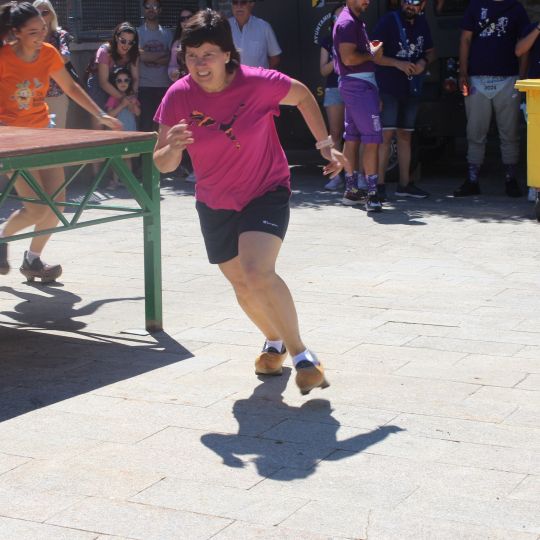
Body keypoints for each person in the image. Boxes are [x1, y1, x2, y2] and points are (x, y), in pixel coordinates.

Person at [153, 9, 347, 394]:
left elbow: (304, 96)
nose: (199, 63)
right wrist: (171, 149)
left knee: (258, 271)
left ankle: (302, 355)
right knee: (243, 285)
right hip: (214, 200)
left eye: (207, 54)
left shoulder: (257, 83)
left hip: (265, 189)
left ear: (228, 53)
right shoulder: (177, 96)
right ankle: (273, 341)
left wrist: (326, 145)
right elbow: (162, 163)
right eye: (192, 56)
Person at [0, 1, 121, 281]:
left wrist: (101, 114)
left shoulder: (49, 53)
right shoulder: (4, 57)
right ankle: (3, 237)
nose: (40, 35)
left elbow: (70, 87)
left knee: (58, 204)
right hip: (12, 141)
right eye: (32, 31)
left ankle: (32, 260)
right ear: (16, 32)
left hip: (43, 134)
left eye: (42, 28)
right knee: (38, 207)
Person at [454, 0, 529, 198]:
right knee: (475, 132)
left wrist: (521, 78)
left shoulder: (516, 8)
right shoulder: (475, 6)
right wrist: (463, 72)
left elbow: (524, 45)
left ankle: (510, 180)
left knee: (510, 133)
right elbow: (465, 39)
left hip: (508, 78)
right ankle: (472, 180)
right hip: (477, 78)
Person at [373, 0, 436, 200]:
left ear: (423, 5)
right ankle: (379, 186)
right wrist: (397, 64)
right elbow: (374, 56)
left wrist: (422, 62)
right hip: (389, 87)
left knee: (405, 136)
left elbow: (431, 51)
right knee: (385, 137)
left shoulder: (422, 23)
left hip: (412, 88)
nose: (411, 5)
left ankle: (404, 185)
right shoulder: (387, 22)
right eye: (407, 1)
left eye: (416, 3)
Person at [333, 0, 384, 212]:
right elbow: (348, 58)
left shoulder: (353, 21)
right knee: (372, 139)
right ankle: (372, 194)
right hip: (358, 86)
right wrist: (372, 54)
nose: (367, 1)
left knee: (352, 137)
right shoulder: (347, 23)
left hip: (355, 85)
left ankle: (352, 190)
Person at [86, 22, 140, 131]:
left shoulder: (134, 53)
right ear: (116, 38)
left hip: (119, 84)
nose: (126, 45)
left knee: (121, 120)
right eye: (123, 41)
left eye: (130, 42)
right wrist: (123, 98)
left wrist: (131, 96)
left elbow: (135, 78)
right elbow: (103, 82)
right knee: (99, 121)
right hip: (99, 86)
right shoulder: (104, 51)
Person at [320, 3, 346, 191]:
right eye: (336, 18)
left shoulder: (357, 37)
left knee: (355, 134)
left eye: (343, 16)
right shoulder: (327, 40)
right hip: (333, 88)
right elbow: (322, 70)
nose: (340, 21)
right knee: (334, 134)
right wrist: (337, 59)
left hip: (354, 88)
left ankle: (357, 175)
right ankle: (336, 175)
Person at [32, 0, 71, 129]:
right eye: (37, 12)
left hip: (56, 93)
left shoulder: (60, 35)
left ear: (52, 15)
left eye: (45, 12)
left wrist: (40, 65)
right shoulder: (28, 36)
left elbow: (65, 57)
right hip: (32, 95)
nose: (41, 16)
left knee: (58, 135)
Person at [137, 0, 172, 132]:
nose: (151, 9)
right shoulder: (138, 32)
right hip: (144, 86)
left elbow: (170, 58)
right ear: (144, 9)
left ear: (160, 10)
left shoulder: (168, 33)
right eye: (148, 6)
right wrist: (160, 56)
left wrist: (147, 55)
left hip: (164, 86)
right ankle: (144, 154)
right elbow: (139, 56)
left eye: (155, 6)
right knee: (145, 126)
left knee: (163, 127)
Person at [515, 20, 540, 208]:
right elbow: (519, 51)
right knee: (536, 143)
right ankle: (536, 185)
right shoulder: (532, 28)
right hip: (536, 93)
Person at [105, 66, 141, 189]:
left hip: (129, 131)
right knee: (116, 157)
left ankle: (128, 180)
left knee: (127, 157)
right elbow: (109, 115)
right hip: (116, 132)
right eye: (119, 80)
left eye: (126, 80)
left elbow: (138, 113)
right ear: (114, 83)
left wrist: (132, 104)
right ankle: (115, 181)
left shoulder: (132, 97)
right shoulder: (113, 98)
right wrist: (122, 105)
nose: (123, 83)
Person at [228, 0, 281, 68]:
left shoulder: (264, 27)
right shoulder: (225, 27)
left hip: (258, 78)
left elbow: (275, 58)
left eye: (243, 2)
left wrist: (262, 76)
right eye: (235, 2)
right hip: (233, 78)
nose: (239, 6)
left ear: (251, 3)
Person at [168, 8, 193, 82]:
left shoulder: (203, 39)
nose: (186, 21)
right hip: (183, 82)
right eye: (182, 19)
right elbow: (173, 65)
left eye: (189, 18)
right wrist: (173, 72)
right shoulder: (176, 43)